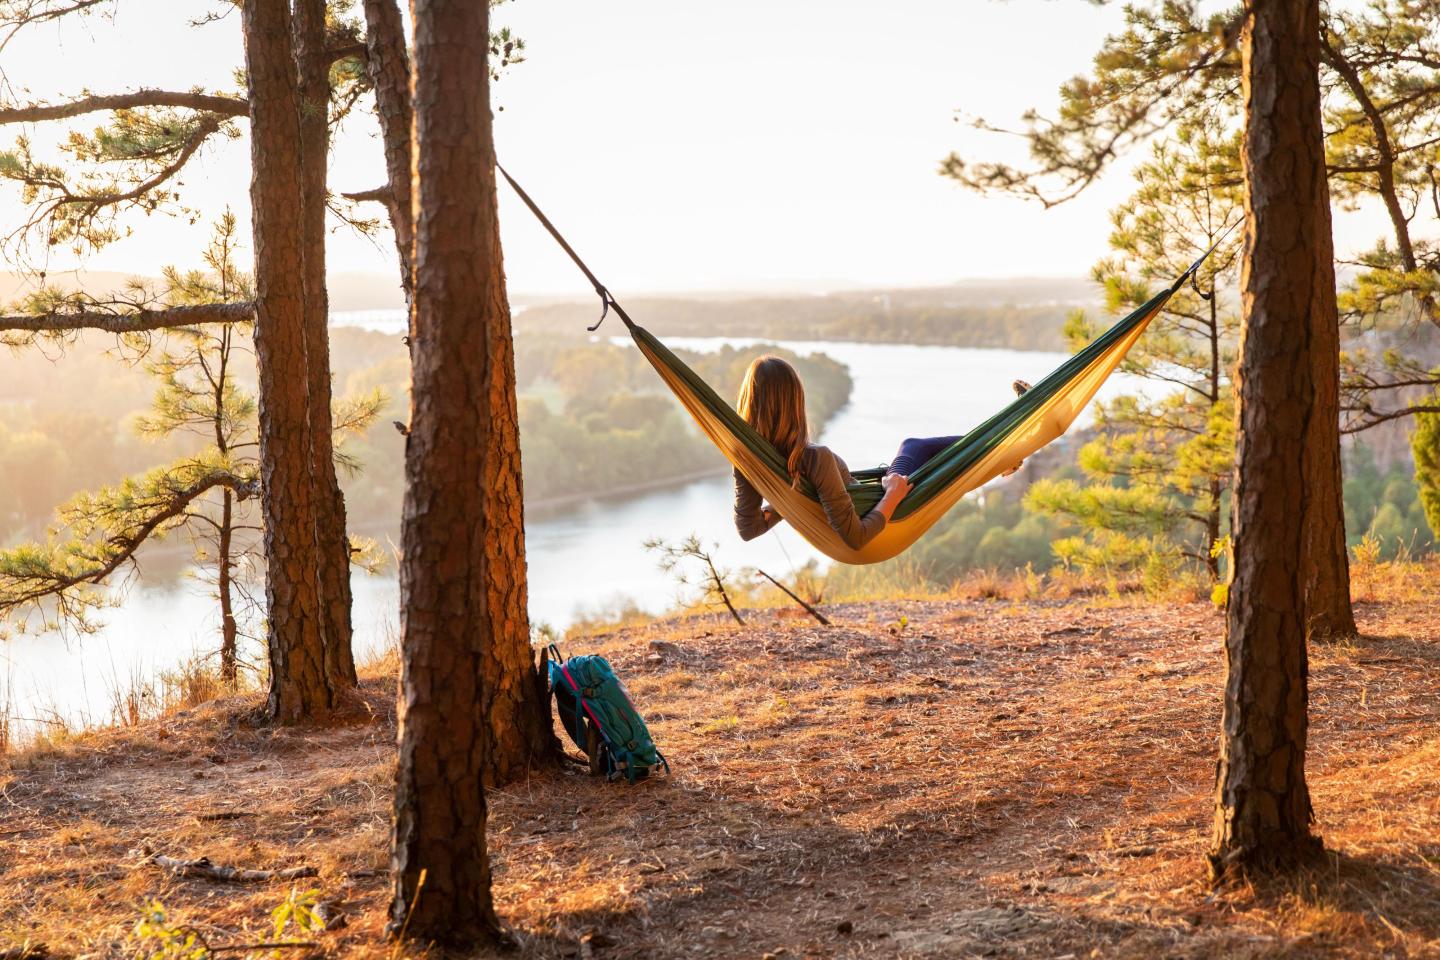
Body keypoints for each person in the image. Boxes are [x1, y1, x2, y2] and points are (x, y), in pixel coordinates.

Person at [732, 355, 1028, 550]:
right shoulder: (814, 457)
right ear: (795, 400)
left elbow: (749, 529)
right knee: (922, 451)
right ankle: (1010, 440)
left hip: (874, 501)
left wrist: (788, 503)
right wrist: (892, 496)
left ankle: (1006, 449)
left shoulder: (749, 461)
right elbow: (856, 537)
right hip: (886, 511)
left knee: (918, 448)